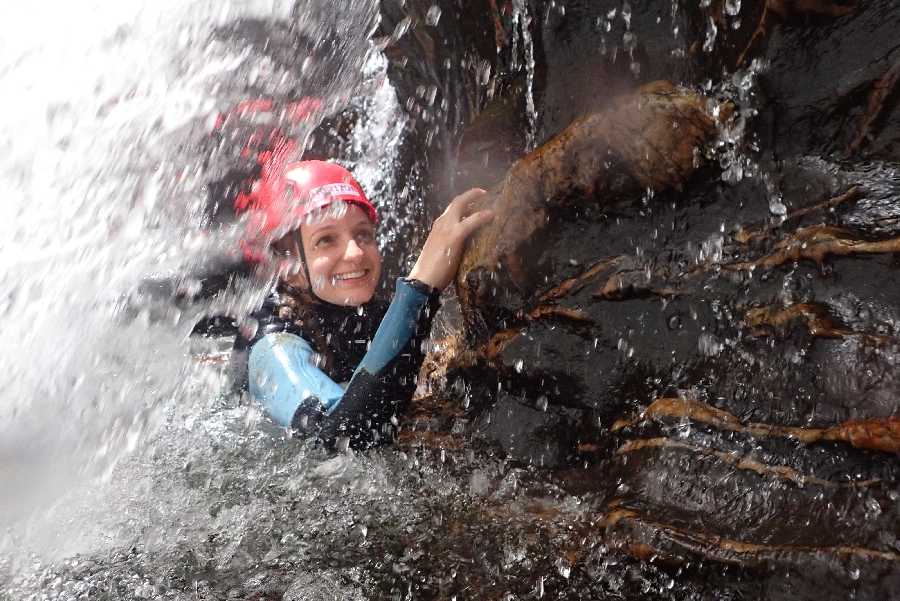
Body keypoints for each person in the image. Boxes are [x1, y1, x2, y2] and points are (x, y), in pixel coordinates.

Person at [230, 159, 493, 450]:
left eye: (362, 234)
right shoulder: (273, 347)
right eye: (326, 239)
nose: (355, 252)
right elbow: (339, 442)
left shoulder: (363, 313)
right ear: (287, 265)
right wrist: (421, 287)